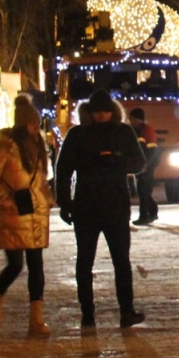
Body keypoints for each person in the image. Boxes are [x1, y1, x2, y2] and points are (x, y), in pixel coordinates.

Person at [54, 89, 146, 330]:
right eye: (97, 112)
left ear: (112, 111)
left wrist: (116, 161)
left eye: (105, 112)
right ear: (89, 113)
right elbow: (63, 170)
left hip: (113, 206)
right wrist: (64, 202)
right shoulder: (78, 135)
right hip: (89, 205)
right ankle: (88, 313)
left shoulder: (122, 132)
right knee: (86, 261)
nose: (102, 116)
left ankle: (126, 311)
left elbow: (139, 163)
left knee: (120, 261)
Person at [0, 96, 55, 336]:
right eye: (33, 124)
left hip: (35, 214)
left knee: (37, 266)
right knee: (15, 265)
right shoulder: (5, 148)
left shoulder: (38, 148)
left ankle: (36, 319)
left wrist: (47, 197)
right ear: (23, 124)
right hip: (13, 215)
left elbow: (40, 180)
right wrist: (7, 202)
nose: (37, 128)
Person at [129, 106, 160, 226]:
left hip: (147, 164)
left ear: (138, 119)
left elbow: (151, 150)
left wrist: (147, 165)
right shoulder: (136, 130)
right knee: (143, 191)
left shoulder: (147, 130)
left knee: (143, 191)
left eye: (132, 118)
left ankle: (144, 216)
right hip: (142, 164)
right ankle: (152, 212)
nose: (130, 120)